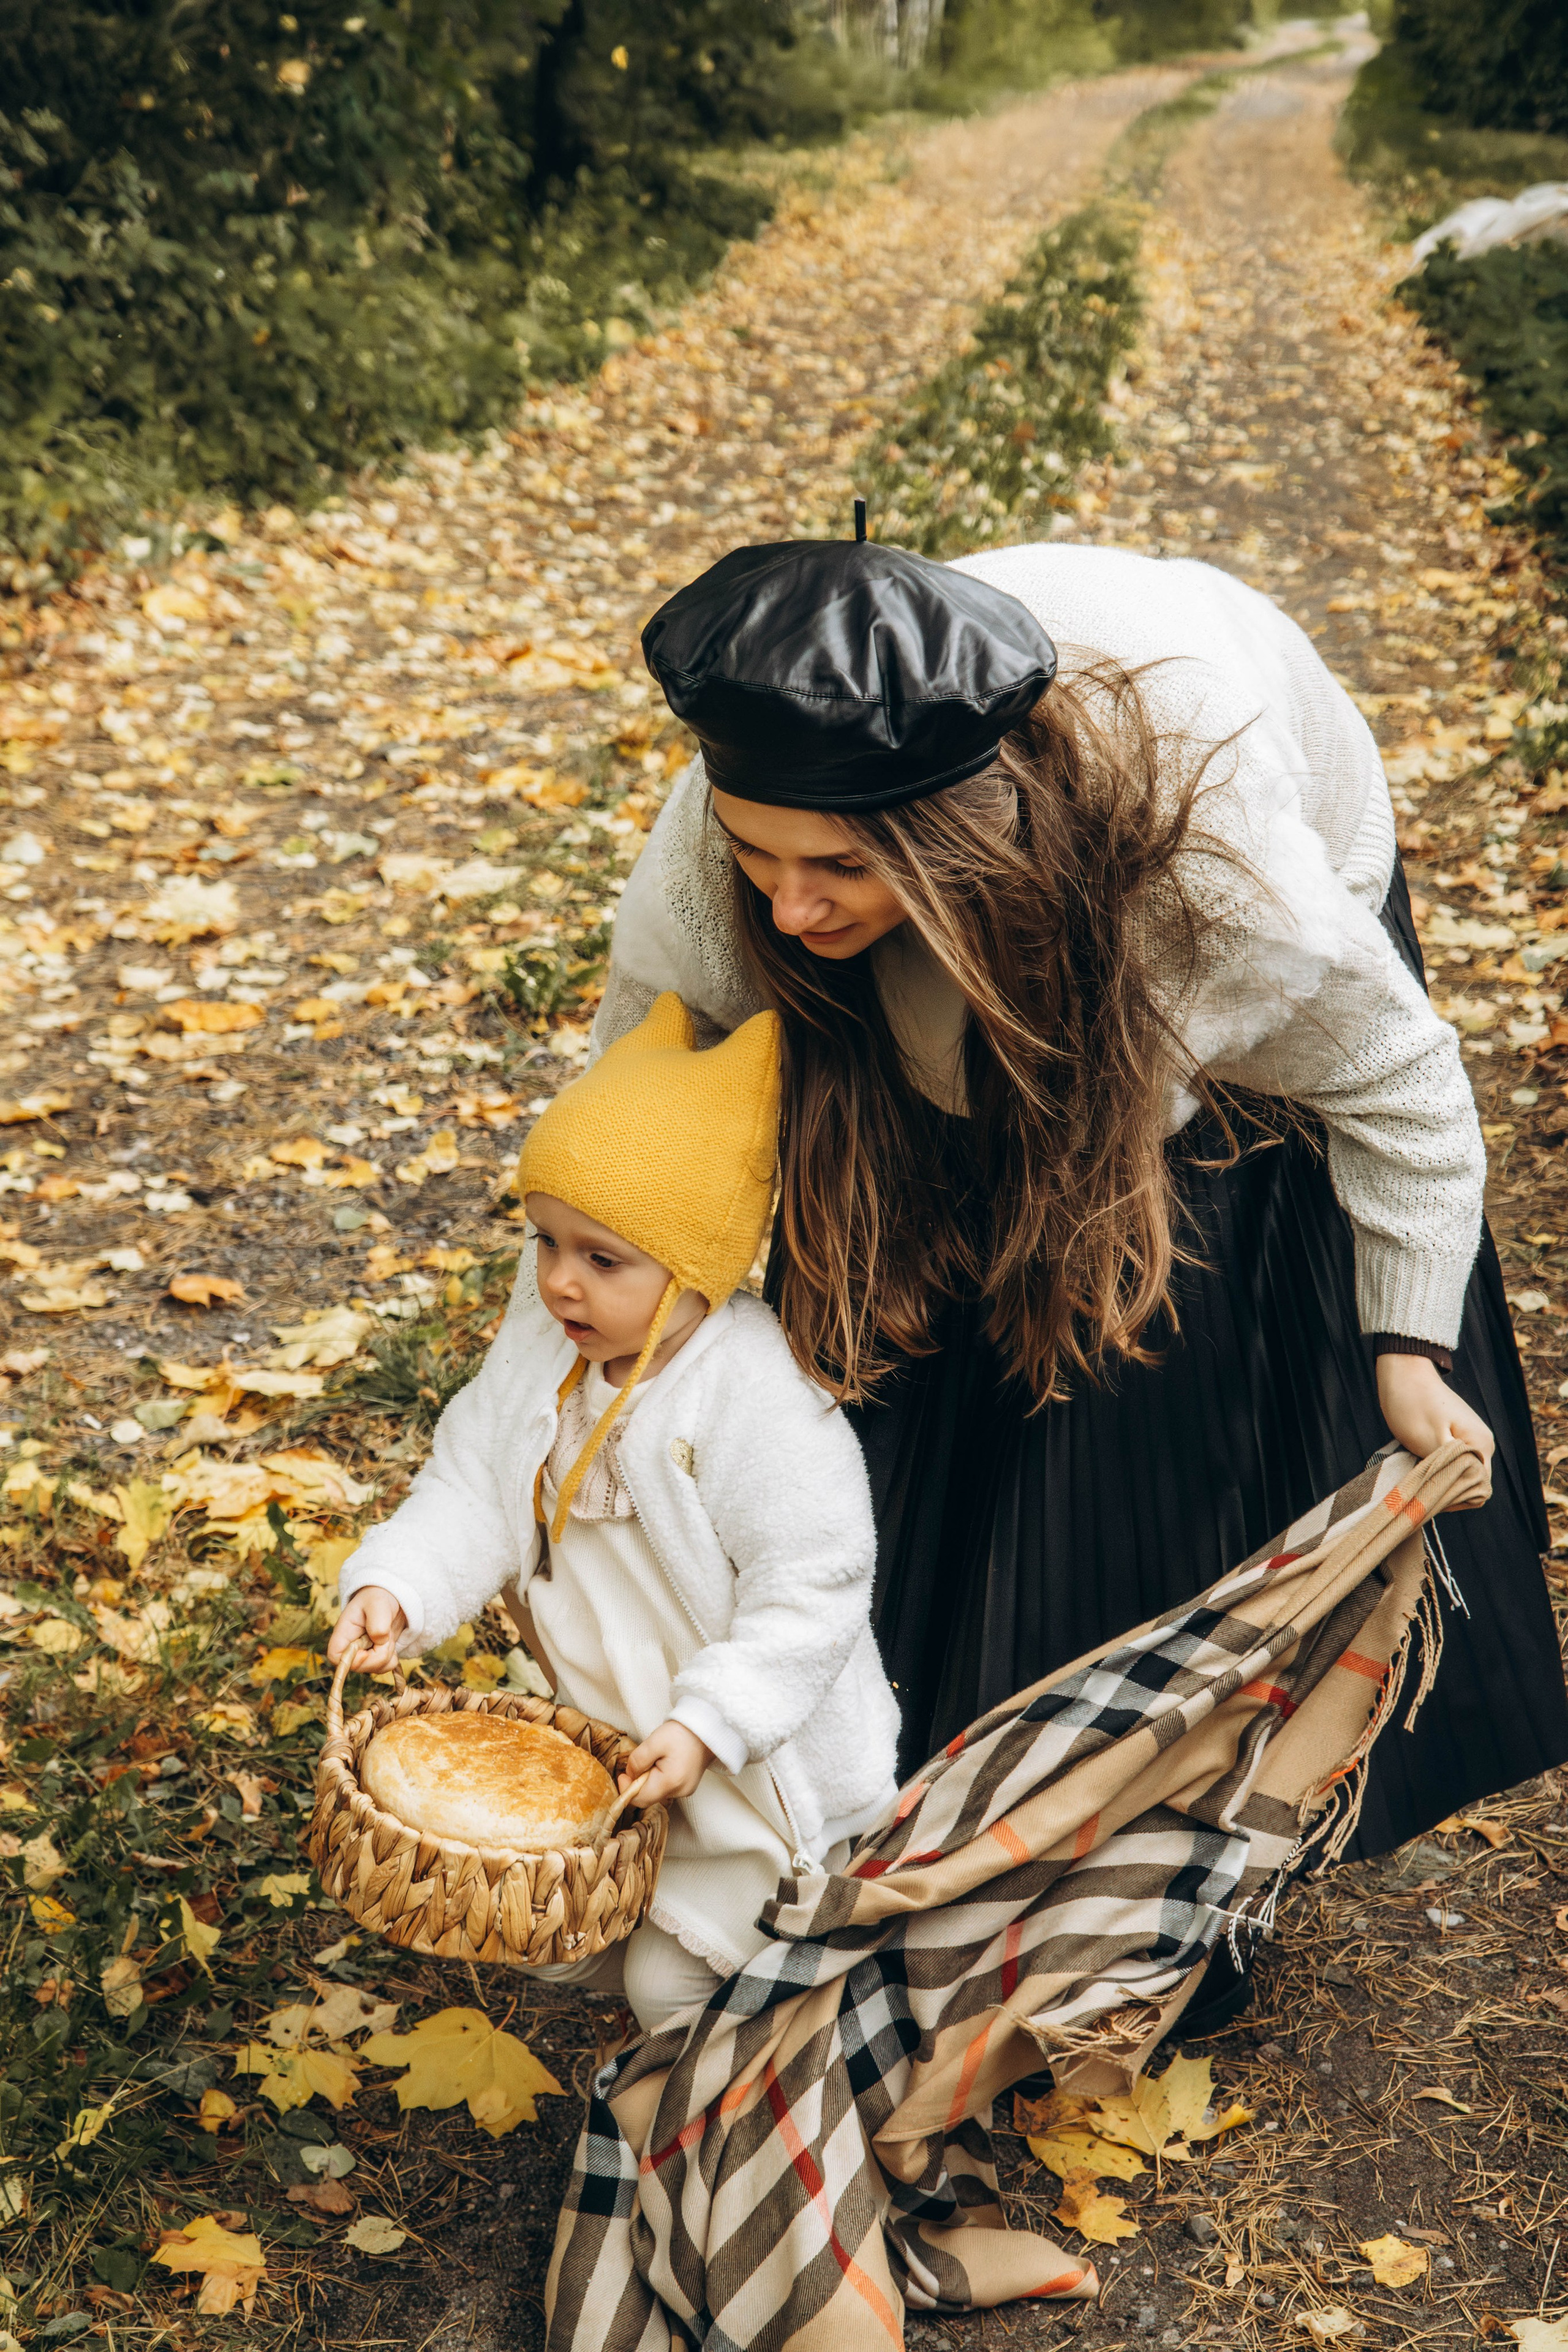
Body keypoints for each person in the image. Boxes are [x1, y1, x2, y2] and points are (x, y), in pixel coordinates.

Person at [594, 535, 1567, 2024]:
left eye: (837, 867)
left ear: (958, 836)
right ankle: (882, 1794)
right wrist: (609, 1308)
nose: (784, 907)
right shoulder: (735, 824)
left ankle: (1130, 1903)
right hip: (982, 914)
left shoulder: (1219, 890)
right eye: (757, 856)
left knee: (1137, 1377)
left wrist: (1402, 1347)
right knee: (882, 1335)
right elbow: (645, 1085)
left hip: (1175, 914)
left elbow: (1402, 1089)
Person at [328, 991, 900, 2031]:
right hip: (623, 1747)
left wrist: (712, 1722)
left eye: (603, 1260)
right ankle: (667, 1958)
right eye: (546, 1243)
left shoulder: (755, 1398)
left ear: (696, 1267)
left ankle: (727, 2103)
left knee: (673, 1987)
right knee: (545, 1933)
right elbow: (472, 1483)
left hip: (755, 1775)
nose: (558, 1284)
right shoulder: (551, 1354)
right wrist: (398, 1582)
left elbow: (814, 1581)